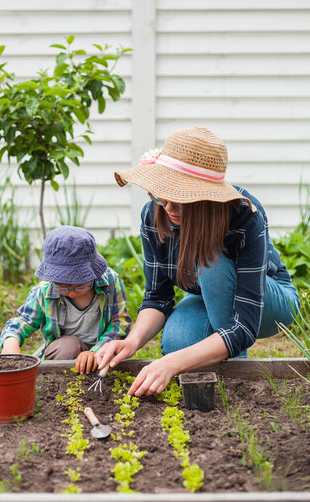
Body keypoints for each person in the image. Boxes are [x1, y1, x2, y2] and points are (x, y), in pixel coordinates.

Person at [96, 126, 300, 396]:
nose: (167, 206)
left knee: (210, 264)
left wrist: (170, 365)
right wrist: (132, 342)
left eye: (179, 198)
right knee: (177, 342)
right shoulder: (155, 216)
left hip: (269, 303)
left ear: (205, 199)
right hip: (208, 297)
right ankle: (218, 357)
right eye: (160, 194)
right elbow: (158, 298)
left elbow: (244, 325)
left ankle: (238, 378)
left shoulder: (243, 215)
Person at [0, 225, 131, 373]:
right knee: (69, 346)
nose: (72, 292)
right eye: (63, 287)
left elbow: (119, 322)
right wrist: (11, 342)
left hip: (103, 352)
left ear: (93, 273)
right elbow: (23, 322)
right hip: (64, 355)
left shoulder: (110, 282)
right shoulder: (44, 292)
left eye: (80, 286)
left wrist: (96, 351)